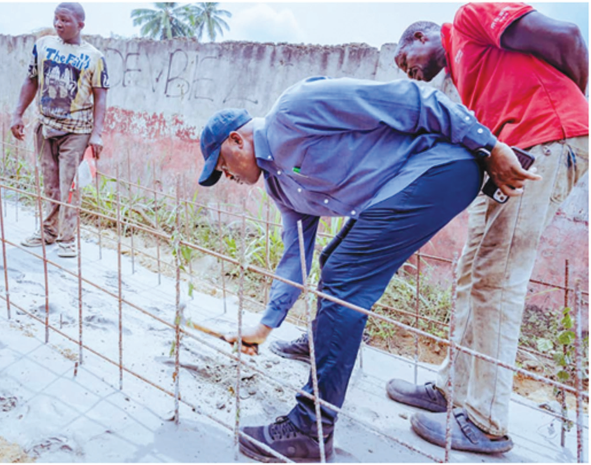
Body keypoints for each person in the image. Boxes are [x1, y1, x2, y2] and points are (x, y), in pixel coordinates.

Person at [197, 75, 538, 462]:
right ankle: (320, 350)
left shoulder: (296, 108)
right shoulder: (280, 187)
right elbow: (297, 256)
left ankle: (310, 429)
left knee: (343, 276)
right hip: (394, 191)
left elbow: (413, 99)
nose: (229, 177)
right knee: (332, 264)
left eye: (223, 166)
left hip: (438, 168)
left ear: (236, 140)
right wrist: (264, 327)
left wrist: (488, 144)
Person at [385, 3, 589, 454]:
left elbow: (570, 37)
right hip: (514, 156)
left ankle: (486, 420)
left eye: (406, 61)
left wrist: (563, 107)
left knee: (497, 277)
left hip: (546, 142)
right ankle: (453, 386)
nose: (410, 74)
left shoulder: (468, 20)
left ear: (421, 37)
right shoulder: (465, 77)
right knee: (470, 271)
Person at [10, 2, 109, 258]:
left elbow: (101, 97)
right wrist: (17, 114)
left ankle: (68, 239)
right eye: (56, 19)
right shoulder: (43, 46)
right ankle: (47, 232)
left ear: (80, 25)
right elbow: (30, 80)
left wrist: (97, 134)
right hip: (45, 127)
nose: (58, 24)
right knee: (50, 185)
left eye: (65, 20)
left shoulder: (94, 57)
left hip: (76, 132)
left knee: (70, 186)